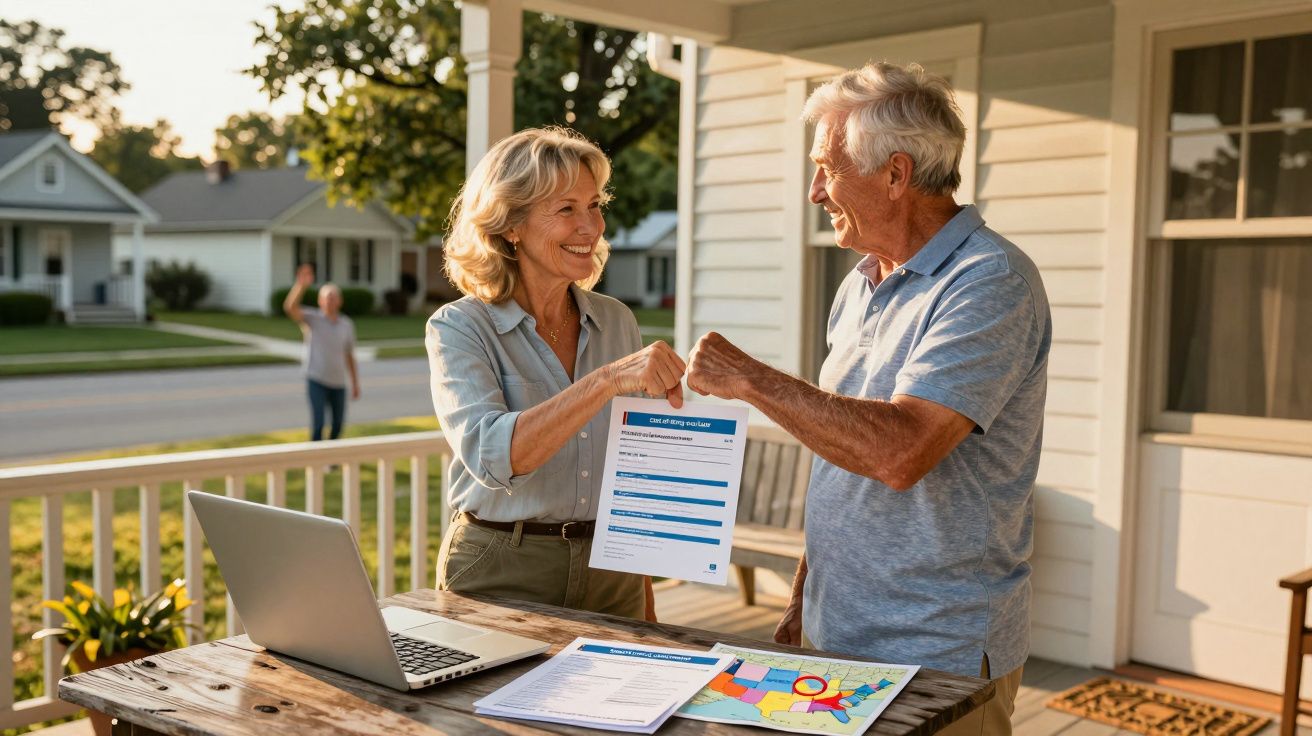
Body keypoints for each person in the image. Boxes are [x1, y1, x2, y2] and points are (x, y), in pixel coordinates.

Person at [685, 62, 1051, 735]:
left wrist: (752, 379)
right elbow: (838, 453)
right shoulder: (860, 284)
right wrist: (804, 595)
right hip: (836, 636)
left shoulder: (989, 282)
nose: (814, 191)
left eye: (826, 166)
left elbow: (901, 451)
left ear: (896, 174)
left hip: (935, 651)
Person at [425, 127, 684, 621]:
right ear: (510, 225)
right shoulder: (459, 327)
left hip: (614, 567)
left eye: (594, 205)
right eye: (567, 209)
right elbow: (494, 455)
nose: (591, 226)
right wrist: (605, 381)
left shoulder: (616, 320)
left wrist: (644, 595)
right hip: (502, 564)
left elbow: (640, 470)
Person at [284, 264, 360, 441]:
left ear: (340, 301)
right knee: (318, 424)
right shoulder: (312, 319)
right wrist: (301, 286)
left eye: (333, 297)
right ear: (320, 301)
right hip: (316, 380)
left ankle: (331, 462)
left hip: (338, 383)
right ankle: (315, 463)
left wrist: (355, 382)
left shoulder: (346, 324)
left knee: (338, 426)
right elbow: (290, 308)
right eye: (326, 298)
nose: (330, 301)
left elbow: (349, 355)